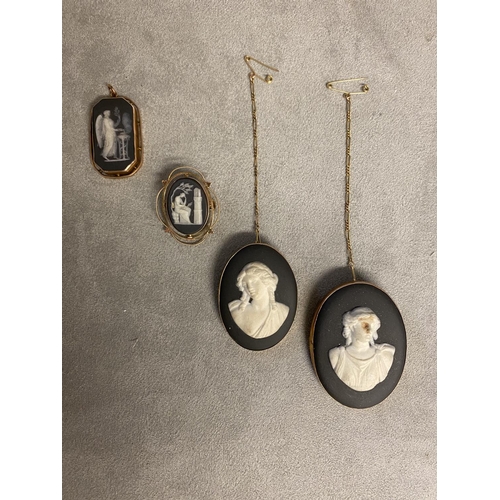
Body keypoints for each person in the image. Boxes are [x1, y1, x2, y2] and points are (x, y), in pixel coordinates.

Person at [329, 307, 395, 391]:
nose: (369, 331)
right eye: (365, 325)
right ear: (352, 327)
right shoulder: (336, 356)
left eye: (372, 326)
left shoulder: (384, 356)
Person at [229, 262, 289, 339]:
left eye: (254, 282)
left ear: (266, 282)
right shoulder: (235, 310)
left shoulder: (282, 312)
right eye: (245, 285)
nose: (249, 288)